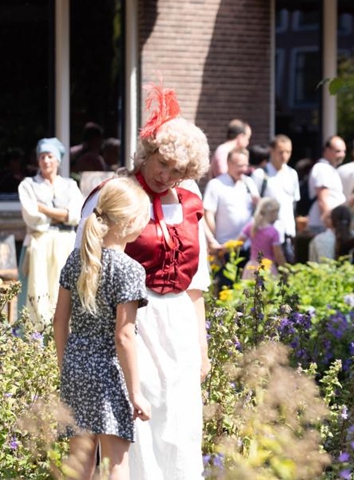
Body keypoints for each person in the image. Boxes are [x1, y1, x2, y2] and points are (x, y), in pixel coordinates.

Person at [79, 83, 212, 479]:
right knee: (139, 420)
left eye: (177, 171)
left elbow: (196, 282)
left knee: (180, 425)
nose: (165, 175)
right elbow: (86, 270)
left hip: (179, 327)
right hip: (131, 322)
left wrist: (202, 346)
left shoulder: (190, 203)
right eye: (162, 163)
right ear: (148, 152)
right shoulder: (113, 195)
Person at [54, 177, 151, 480]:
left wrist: (66, 367)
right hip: (110, 373)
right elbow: (124, 336)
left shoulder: (76, 260)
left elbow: (59, 321)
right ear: (130, 222)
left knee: (80, 464)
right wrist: (136, 393)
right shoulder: (130, 269)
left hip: (76, 367)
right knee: (116, 465)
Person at [19, 137, 84, 327]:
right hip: (40, 243)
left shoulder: (70, 185)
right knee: (38, 289)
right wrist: (62, 214)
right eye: (42, 157)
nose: (46, 161)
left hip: (66, 243)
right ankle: (37, 335)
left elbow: (75, 215)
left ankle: (64, 333)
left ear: (58, 160)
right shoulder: (28, 185)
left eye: (50, 156)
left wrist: (45, 209)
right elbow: (32, 217)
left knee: (64, 289)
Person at [204, 147, 259, 287]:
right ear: (228, 163)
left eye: (246, 165)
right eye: (239, 165)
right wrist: (213, 241)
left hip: (247, 247)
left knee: (248, 290)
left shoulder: (249, 183)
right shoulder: (216, 185)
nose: (243, 169)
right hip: (225, 247)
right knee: (226, 289)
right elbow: (208, 213)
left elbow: (257, 212)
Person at [251, 135, 301, 263]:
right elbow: (254, 205)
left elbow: (294, 203)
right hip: (267, 234)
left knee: (287, 270)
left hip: (288, 232)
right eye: (281, 152)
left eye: (288, 152)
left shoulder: (292, 174)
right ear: (271, 151)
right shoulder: (260, 174)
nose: (285, 156)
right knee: (264, 269)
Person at [307, 135, 347, 233]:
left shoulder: (330, 169)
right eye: (338, 151)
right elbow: (323, 200)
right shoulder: (322, 168)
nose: (342, 155)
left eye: (344, 151)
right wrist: (331, 225)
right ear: (327, 151)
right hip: (323, 227)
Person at [239, 197, 285, 278]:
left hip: (252, 267)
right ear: (272, 213)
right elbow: (278, 255)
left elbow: (238, 242)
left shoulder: (251, 227)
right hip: (267, 268)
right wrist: (286, 269)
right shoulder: (273, 232)